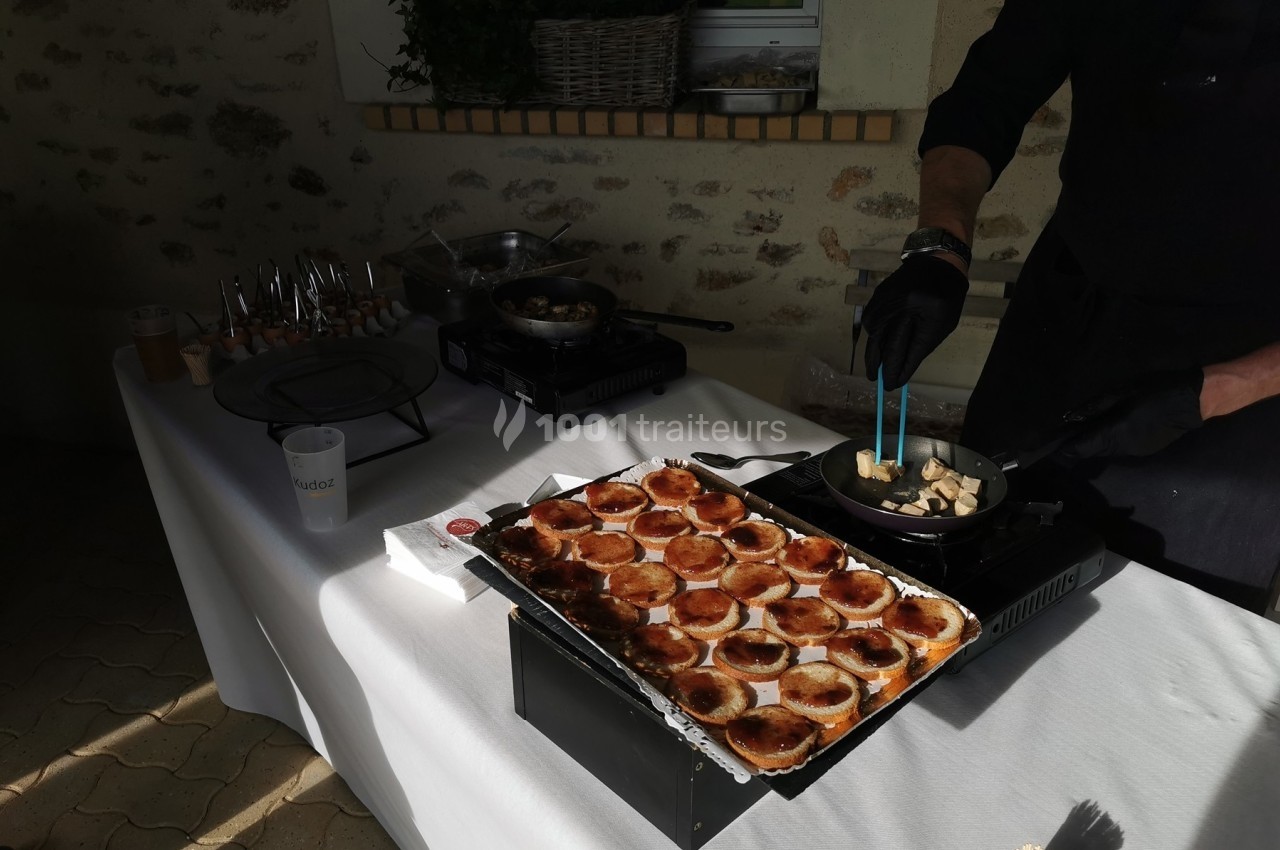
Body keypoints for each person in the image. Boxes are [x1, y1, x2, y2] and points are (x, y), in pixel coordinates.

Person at [860, 0, 1280, 613]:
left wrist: (1219, 388)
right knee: (965, 564)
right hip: (1066, 310)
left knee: (1170, 622)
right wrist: (938, 250)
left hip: (1248, 367)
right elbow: (986, 99)